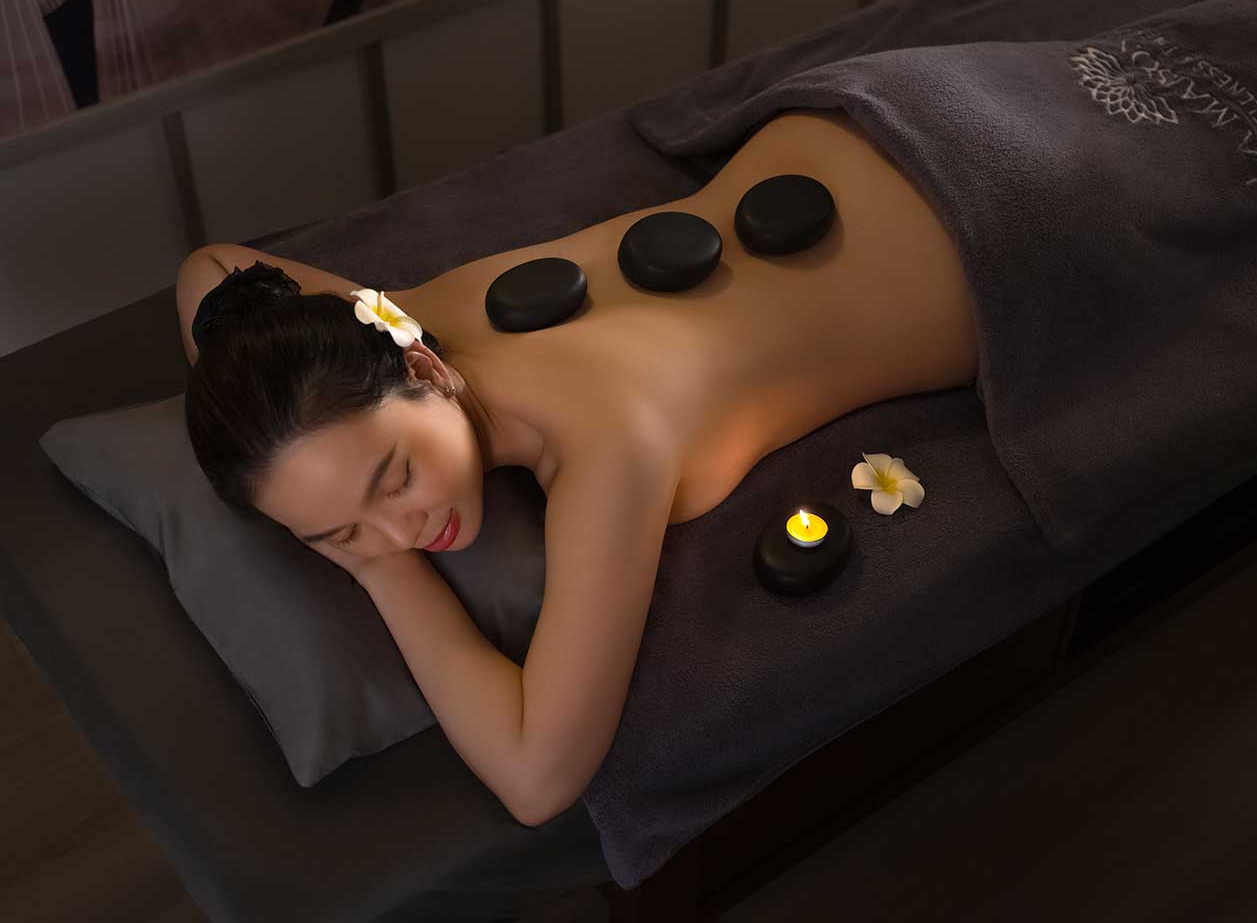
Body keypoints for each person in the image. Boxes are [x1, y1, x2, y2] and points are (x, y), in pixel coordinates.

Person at [174, 106, 979, 827]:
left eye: (395, 481)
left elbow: (536, 780)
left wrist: (376, 571)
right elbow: (208, 274)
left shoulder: (608, 445)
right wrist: (361, 530)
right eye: (339, 535)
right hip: (824, 148)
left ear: (425, 369)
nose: (401, 534)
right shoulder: (385, 325)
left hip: (964, 220)